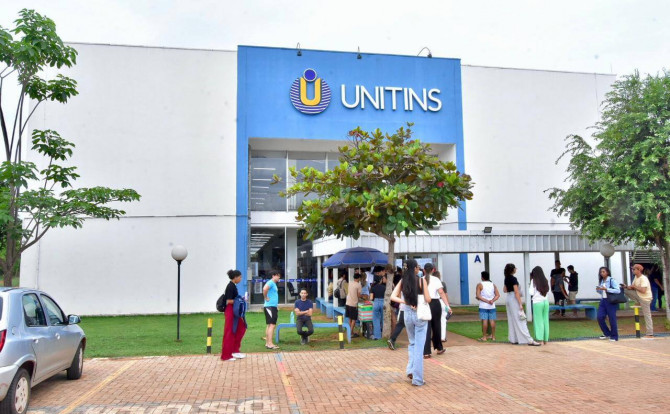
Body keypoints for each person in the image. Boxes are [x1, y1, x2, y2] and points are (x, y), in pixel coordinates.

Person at [391, 259, 431, 386]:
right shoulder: (421, 280)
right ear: (414, 268)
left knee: (412, 343)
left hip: (407, 314)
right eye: (417, 267)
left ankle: (410, 370)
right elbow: (428, 298)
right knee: (419, 347)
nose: (418, 268)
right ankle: (417, 378)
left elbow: (393, 296)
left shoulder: (403, 281)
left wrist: (406, 302)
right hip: (419, 314)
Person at [503, 263, 540, 346]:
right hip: (513, 298)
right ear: (513, 270)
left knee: (511, 319)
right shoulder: (513, 279)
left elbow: (504, 290)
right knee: (521, 319)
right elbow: (516, 292)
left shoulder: (506, 278)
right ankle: (529, 339)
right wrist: (520, 304)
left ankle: (514, 338)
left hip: (508, 298)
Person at [423, 263, 451, 357]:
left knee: (426, 328)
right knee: (436, 326)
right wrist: (447, 306)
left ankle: (426, 351)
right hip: (435, 303)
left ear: (424, 270)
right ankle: (439, 348)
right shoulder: (436, 279)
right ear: (433, 270)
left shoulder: (421, 279)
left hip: (424, 303)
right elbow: (441, 292)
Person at [221, 269, 247, 361]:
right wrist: (241, 300)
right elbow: (228, 301)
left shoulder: (233, 286)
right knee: (230, 332)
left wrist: (241, 299)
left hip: (234, 311)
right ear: (235, 277)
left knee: (241, 328)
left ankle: (235, 351)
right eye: (240, 277)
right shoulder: (230, 286)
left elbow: (234, 299)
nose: (241, 279)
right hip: (230, 311)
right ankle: (226, 355)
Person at [623, 263, 654, 338]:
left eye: (634, 269)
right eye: (632, 269)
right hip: (639, 296)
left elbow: (643, 290)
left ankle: (650, 333)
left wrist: (634, 287)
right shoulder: (636, 277)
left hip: (645, 298)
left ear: (639, 270)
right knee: (625, 290)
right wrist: (626, 286)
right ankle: (638, 302)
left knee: (647, 315)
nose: (632, 270)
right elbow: (632, 288)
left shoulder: (643, 278)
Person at [596, 266, 620, 341]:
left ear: (607, 272)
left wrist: (607, 289)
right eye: (601, 272)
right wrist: (599, 289)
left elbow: (618, 290)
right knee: (600, 316)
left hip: (611, 301)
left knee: (612, 318)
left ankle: (614, 336)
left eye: (603, 272)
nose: (602, 273)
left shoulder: (611, 280)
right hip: (603, 300)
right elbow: (601, 292)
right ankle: (607, 333)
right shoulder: (602, 281)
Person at [475, 271, 500, 342]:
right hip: (492, 306)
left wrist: (486, 301)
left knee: (484, 321)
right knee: (492, 321)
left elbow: (478, 295)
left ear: (482, 277)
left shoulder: (480, 284)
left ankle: (484, 337)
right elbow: (497, 295)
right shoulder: (493, 285)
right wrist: (492, 300)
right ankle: (493, 336)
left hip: (483, 306)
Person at [528, 266, 550, 345]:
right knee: (545, 320)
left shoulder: (533, 281)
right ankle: (546, 339)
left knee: (538, 321)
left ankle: (539, 339)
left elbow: (531, 292)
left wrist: (530, 285)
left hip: (537, 302)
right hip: (545, 302)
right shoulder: (545, 280)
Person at [263, 270, 281, 349]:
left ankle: (268, 343)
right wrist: (266, 297)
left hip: (272, 306)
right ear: (273, 276)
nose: (279, 277)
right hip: (270, 306)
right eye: (278, 276)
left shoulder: (273, 283)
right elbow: (264, 289)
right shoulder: (270, 282)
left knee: (270, 325)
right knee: (272, 325)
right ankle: (270, 344)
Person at [388, 267, 405, 350]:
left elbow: (397, 295)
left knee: (400, 324)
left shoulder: (402, 282)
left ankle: (392, 339)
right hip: (409, 307)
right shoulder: (415, 280)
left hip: (402, 307)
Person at [370, 271, 387, 340]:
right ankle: (384, 334)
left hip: (376, 302)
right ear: (380, 280)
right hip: (383, 302)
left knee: (376, 320)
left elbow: (371, 298)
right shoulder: (384, 287)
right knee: (383, 319)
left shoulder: (373, 287)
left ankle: (377, 336)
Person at [433, 271, 450, 342]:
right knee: (443, 320)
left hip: (434, 302)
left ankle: (435, 336)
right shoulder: (442, 283)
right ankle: (442, 337)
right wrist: (448, 305)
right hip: (442, 302)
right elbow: (445, 294)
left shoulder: (431, 283)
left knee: (434, 320)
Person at [346, 272, 363, 337]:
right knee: (354, 319)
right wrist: (363, 296)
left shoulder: (350, 283)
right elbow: (358, 295)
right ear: (359, 278)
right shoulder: (358, 285)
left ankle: (350, 331)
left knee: (350, 318)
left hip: (348, 302)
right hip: (353, 304)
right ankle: (350, 333)